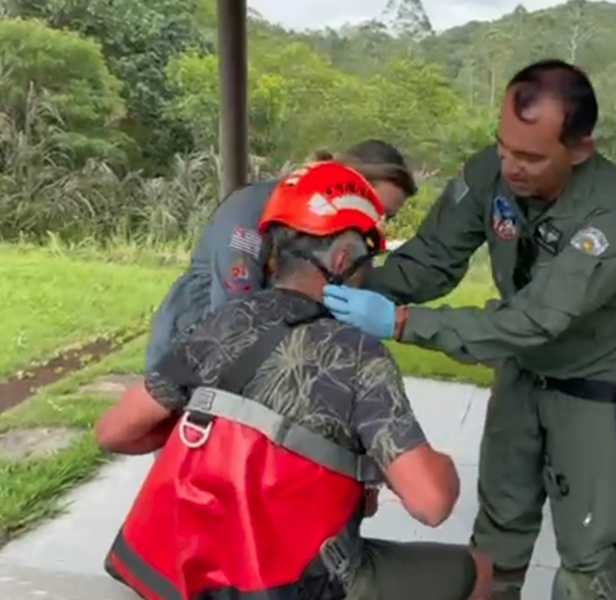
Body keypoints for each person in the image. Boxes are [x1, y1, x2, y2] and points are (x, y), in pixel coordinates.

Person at [322, 59, 616, 600]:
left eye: (530, 155)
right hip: (521, 378)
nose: (511, 165)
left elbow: (538, 318)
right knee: (496, 542)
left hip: (595, 389)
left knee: (588, 557)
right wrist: (350, 287)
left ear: (581, 147)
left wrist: (403, 323)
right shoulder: (490, 173)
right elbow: (432, 260)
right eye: (503, 145)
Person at [93, 161, 491, 600]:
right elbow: (431, 504)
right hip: (294, 585)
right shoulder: (357, 355)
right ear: (342, 260)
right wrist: (445, 468)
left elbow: (112, 433)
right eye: (367, 257)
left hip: (196, 570)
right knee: (479, 570)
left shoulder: (223, 323)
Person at [143, 139, 418, 373]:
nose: (377, 223)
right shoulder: (252, 209)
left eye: (388, 216)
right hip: (199, 344)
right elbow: (233, 315)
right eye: (376, 207)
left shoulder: (341, 233)